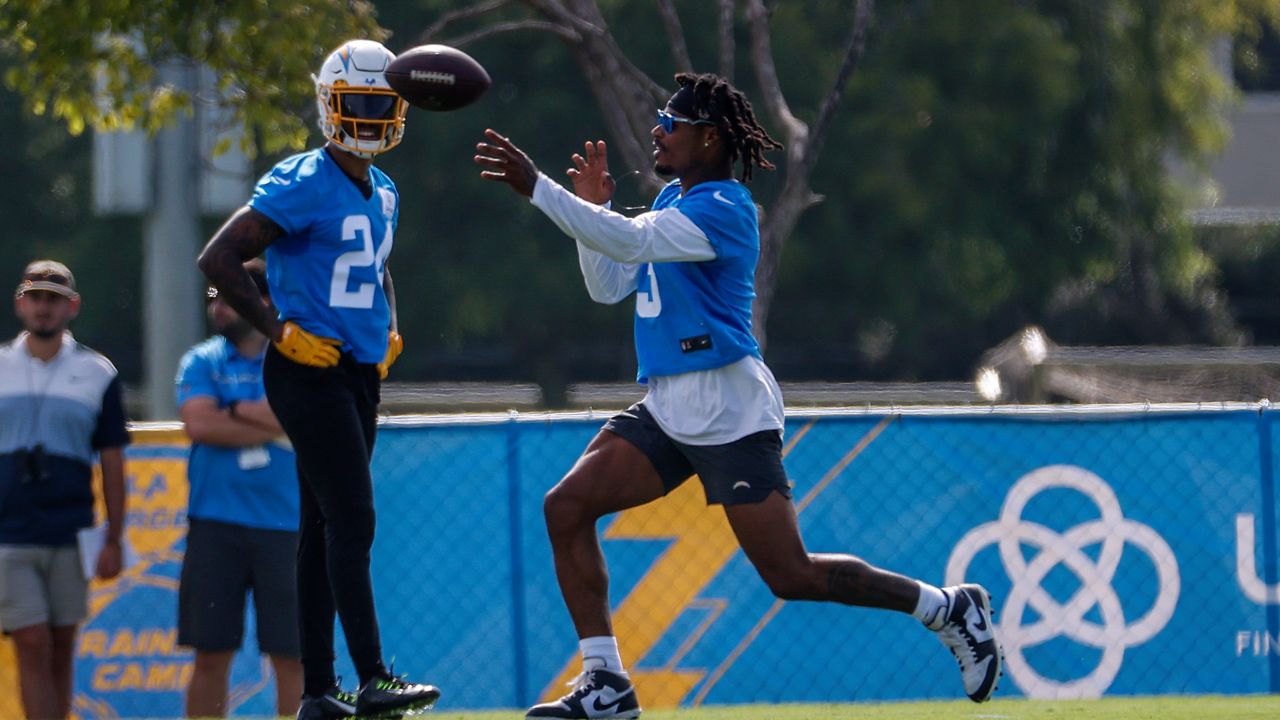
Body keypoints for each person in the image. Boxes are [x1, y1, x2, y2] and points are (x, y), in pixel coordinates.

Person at [475, 72, 1005, 719]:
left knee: (792, 575)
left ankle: (947, 608)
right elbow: (608, 285)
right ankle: (606, 683)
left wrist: (542, 189)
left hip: (729, 412)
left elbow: (633, 243)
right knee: (566, 506)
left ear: (710, 137)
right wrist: (593, 216)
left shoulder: (725, 208)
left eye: (672, 122)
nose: (657, 131)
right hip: (670, 407)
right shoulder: (674, 196)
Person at [196, 39, 438, 720]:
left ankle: (316, 694)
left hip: (358, 374)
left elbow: (377, 264)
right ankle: (372, 677)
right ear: (330, 105)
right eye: (356, 103)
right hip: (307, 372)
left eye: (379, 104)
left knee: (319, 528)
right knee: (353, 518)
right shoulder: (301, 179)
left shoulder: (384, 189)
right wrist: (278, 330)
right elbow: (219, 257)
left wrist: (390, 326)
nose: (367, 116)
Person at [0, 260, 128, 720]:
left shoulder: (98, 372)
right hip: (9, 531)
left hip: (72, 528)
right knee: (31, 641)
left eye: (53, 299)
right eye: (35, 297)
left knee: (60, 644)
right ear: (20, 302)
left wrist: (114, 537)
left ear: (71, 306)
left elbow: (112, 460)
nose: (43, 308)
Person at [175, 260, 303, 718]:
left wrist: (233, 408)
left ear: (264, 302)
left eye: (228, 297)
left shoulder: (294, 358)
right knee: (210, 654)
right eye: (214, 298)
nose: (218, 308)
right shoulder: (202, 360)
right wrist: (271, 419)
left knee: (293, 655)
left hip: (287, 526)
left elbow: (301, 419)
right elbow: (200, 424)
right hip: (215, 525)